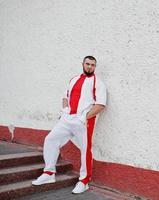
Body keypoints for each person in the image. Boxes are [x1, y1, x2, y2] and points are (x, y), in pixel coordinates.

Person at [32, 56, 107, 194]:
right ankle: (49, 173)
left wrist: (84, 116)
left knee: (85, 150)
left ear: (95, 67)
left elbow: (101, 104)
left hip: (84, 121)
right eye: (87, 64)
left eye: (93, 65)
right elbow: (65, 96)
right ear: (82, 64)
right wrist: (65, 110)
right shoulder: (73, 79)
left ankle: (84, 181)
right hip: (67, 119)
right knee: (50, 139)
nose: (90, 66)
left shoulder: (98, 82)